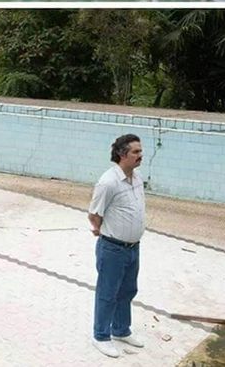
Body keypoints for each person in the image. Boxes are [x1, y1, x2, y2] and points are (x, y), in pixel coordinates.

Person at [88, 134, 146, 358]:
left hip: (133, 247)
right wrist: (101, 231)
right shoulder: (108, 182)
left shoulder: (137, 177)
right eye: (136, 152)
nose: (141, 155)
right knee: (108, 293)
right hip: (113, 248)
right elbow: (94, 214)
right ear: (122, 154)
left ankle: (121, 330)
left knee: (128, 290)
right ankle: (101, 335)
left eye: (140, 151)